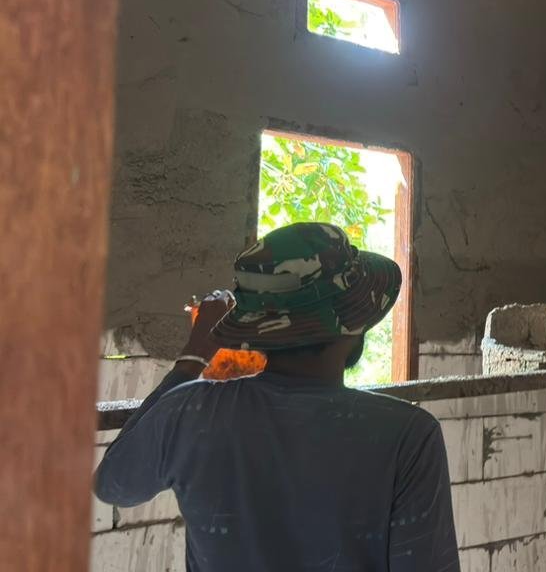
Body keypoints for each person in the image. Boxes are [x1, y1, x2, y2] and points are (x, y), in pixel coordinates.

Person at [95, 222, 460, 572]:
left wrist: (193, 356)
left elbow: (113, 485)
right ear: (353, 325)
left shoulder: (191, 412)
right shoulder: (407, 436)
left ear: (258, 331)